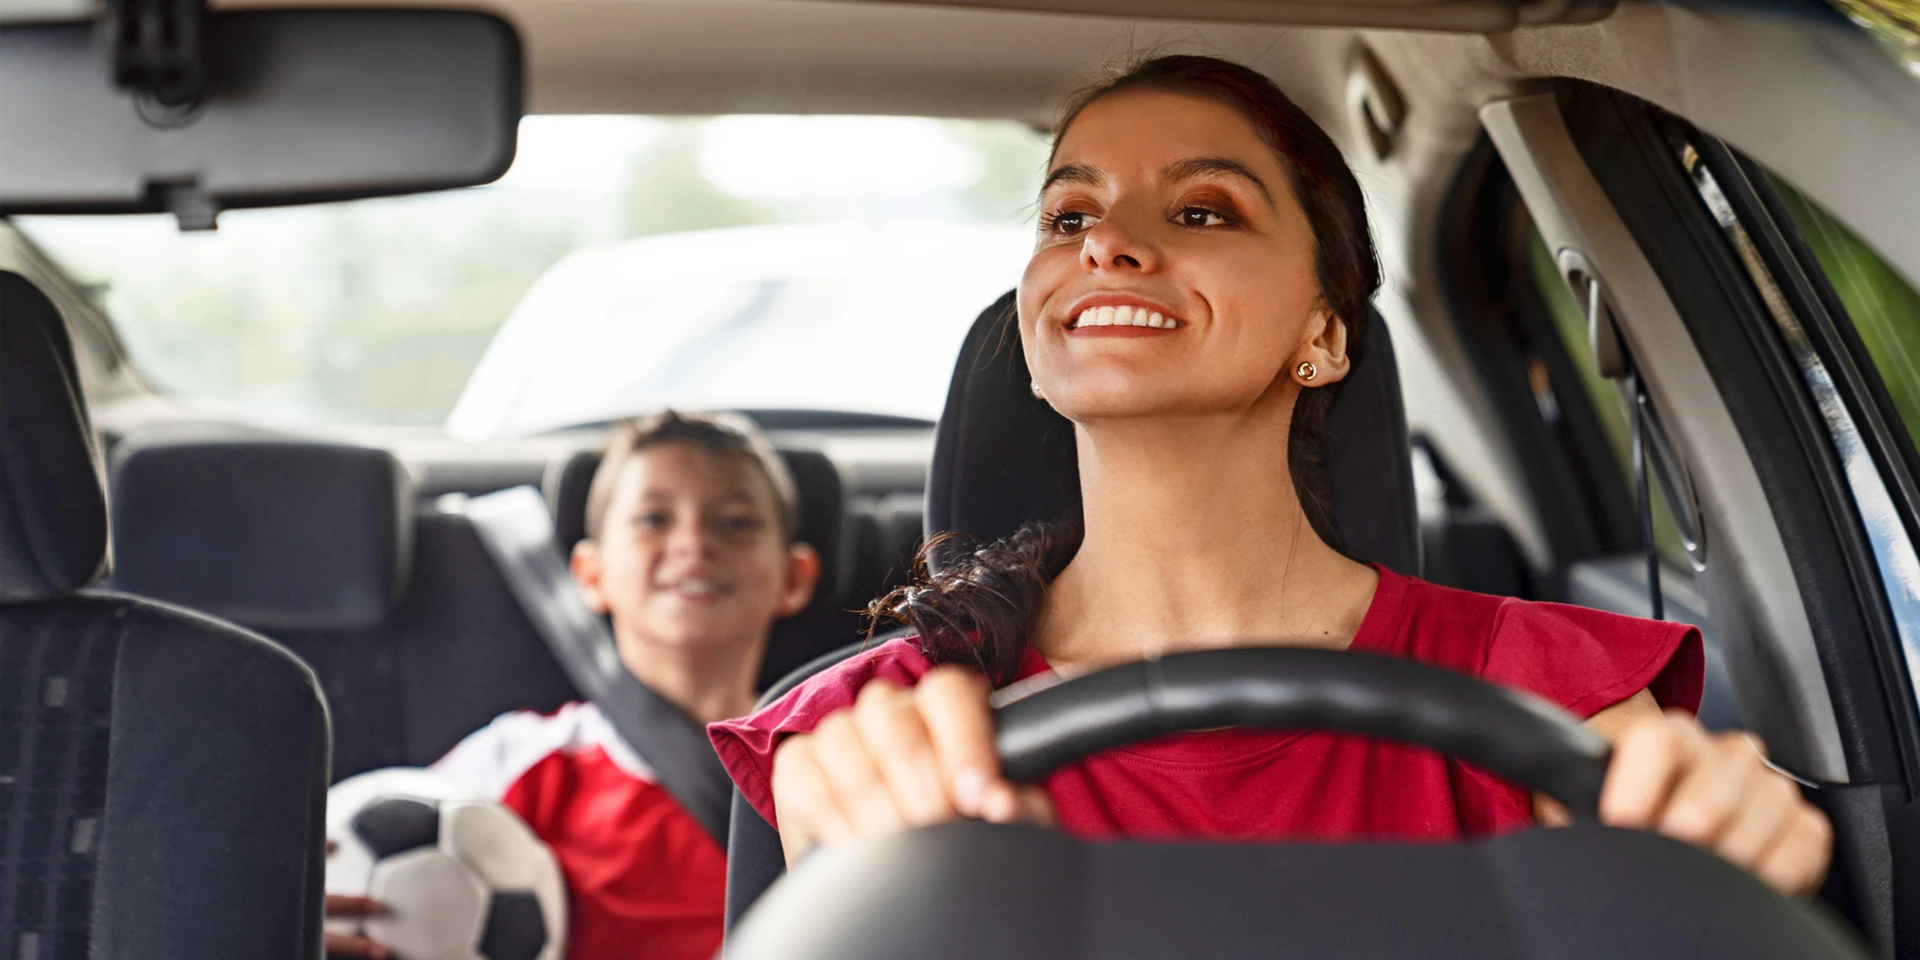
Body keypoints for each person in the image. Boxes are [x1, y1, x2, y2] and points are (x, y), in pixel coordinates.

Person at [708, 55, 1832, 896]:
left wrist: (1715, 852)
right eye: (1068, 213)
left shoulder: (1540, 693)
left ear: (1325, 334)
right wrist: (848, 852)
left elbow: (1670, 863)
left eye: (1200, 210)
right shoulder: (883, 735)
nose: (1107, 243)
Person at [329, 411, 820, 960]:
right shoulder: (517, 761)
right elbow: (350, 873)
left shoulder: (826, 759)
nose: (694, 542)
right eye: (653, 519)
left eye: (735, 522)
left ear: (795, 577)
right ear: (590, 574)